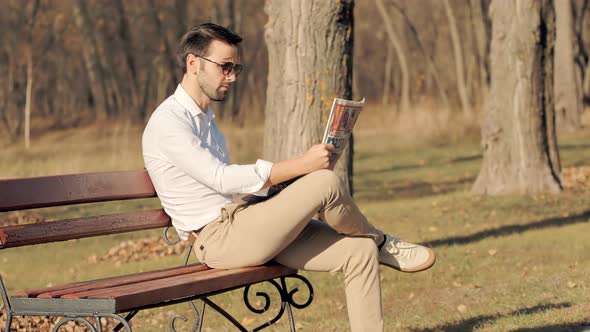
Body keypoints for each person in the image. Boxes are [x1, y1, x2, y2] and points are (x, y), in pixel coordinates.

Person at [142, 23, 435, 332]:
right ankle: (382, 242)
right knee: (325, 182)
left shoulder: (207, 123)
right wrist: (301, 165)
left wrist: (278, 190)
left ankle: (371, 246)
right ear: (193, 63)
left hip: (244, 222)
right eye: (225, 67)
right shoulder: (169, 123)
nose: (232, 76)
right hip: (218, 240)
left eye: (235, 68)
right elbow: (221, 179)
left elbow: (226, 192)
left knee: (357, 252)